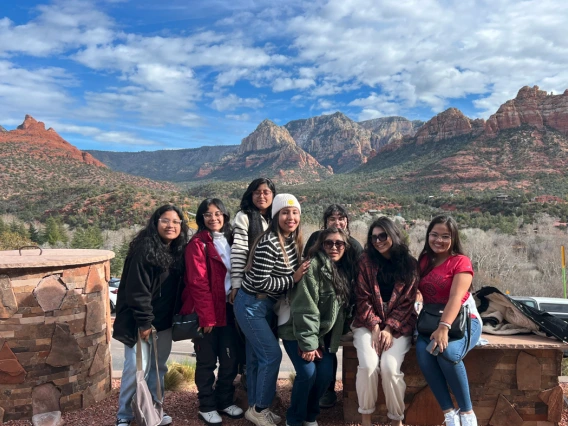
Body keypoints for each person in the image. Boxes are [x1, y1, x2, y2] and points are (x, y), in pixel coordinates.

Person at [233, 194, 311, 426]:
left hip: (264, 306)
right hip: (251, 305)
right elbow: (260, 283)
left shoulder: (289, 240)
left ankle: (256, 409)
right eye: (285, 213)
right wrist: (293, 278)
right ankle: (260, 408)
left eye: (295, 212)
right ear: (276, 215)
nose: (291, 217)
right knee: (271, 355)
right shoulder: (270, 243)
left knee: (257, 358)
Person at [113, 205, 189, 426]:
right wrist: (145, 322)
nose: (171, 225)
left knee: (158, 370)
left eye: (176, 222)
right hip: (141, 324)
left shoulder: (177, 251)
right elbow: (137, 291)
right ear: (156, 223)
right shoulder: (144, 250)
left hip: (164, 324)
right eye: (166, 220)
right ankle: (124, 415)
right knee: (134, 370)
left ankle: (154, 410)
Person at [279, 227, 358, 426]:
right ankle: (294, 418)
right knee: (307, 374)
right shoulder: (312, 267)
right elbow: (306, 309)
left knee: (324, 376)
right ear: (321, 245)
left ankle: (309, 414)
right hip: (298, 333)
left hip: (324, 337)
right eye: (328, 243)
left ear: (345, 246)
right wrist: (308, 344)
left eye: (339, 243)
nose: (334, 247)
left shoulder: (344, 270)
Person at [180, 198, 244, 425]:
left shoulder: (231, 239)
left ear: (225, 216)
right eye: (208, 214)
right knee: (207, 361)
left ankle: (224, 400)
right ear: (201, 218)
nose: (213, 218)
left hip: (228, 309)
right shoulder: (198, 244)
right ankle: (206, 405)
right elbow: (198, 283)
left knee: (230, 359)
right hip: (207, 312)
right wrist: (207, 317)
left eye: (218, 213)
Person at [415, 215, 482, 426]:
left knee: (448, 353)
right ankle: (449, 414)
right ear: (428, 236)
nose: (439, 240)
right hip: (430, 321)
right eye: (434, 235)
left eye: (445, 236)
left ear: (453, 238)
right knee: (424, 356)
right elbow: (417, 287)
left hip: (462, 321)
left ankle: (467, 414)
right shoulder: (425, 260)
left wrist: (443, 328)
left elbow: (455, 297)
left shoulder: (461, 262)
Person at [351, 217, 418, 426]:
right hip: (366, 322)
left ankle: (396, 419)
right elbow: (361, 297)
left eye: (383, 236)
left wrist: (389, 328)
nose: (378, 241)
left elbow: (408, 302)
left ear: (393, 235)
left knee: (389, 367)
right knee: (369, 366)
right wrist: (375, 327)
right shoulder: (365, 261)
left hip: (400, 324)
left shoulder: (409, 264)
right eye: (374, 238)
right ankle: (366, 418)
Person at [302, 203, 363, 408]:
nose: (337, 222)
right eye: (332, 218)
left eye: (341, 218)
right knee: (316, 351)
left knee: (330, 349)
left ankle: (327, 390)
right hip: (318, 302)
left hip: (341, 306)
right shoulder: (315, 240)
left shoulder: (354, 246)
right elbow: (307, 264)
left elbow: (359, 279)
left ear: (347, 221)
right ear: (325, 222)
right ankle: (316, 391)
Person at [230, 178, 276, 386]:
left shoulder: (278, 217)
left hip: (275, 292)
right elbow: (239, 250)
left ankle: (264, 392)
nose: (262, 196)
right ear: (250, 195)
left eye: (266, 192)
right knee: (256, 346)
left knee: (266, 343)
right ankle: (253, 394)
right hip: (251, 290)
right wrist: (237, 283)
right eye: (257, 192)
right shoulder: (245, 217)